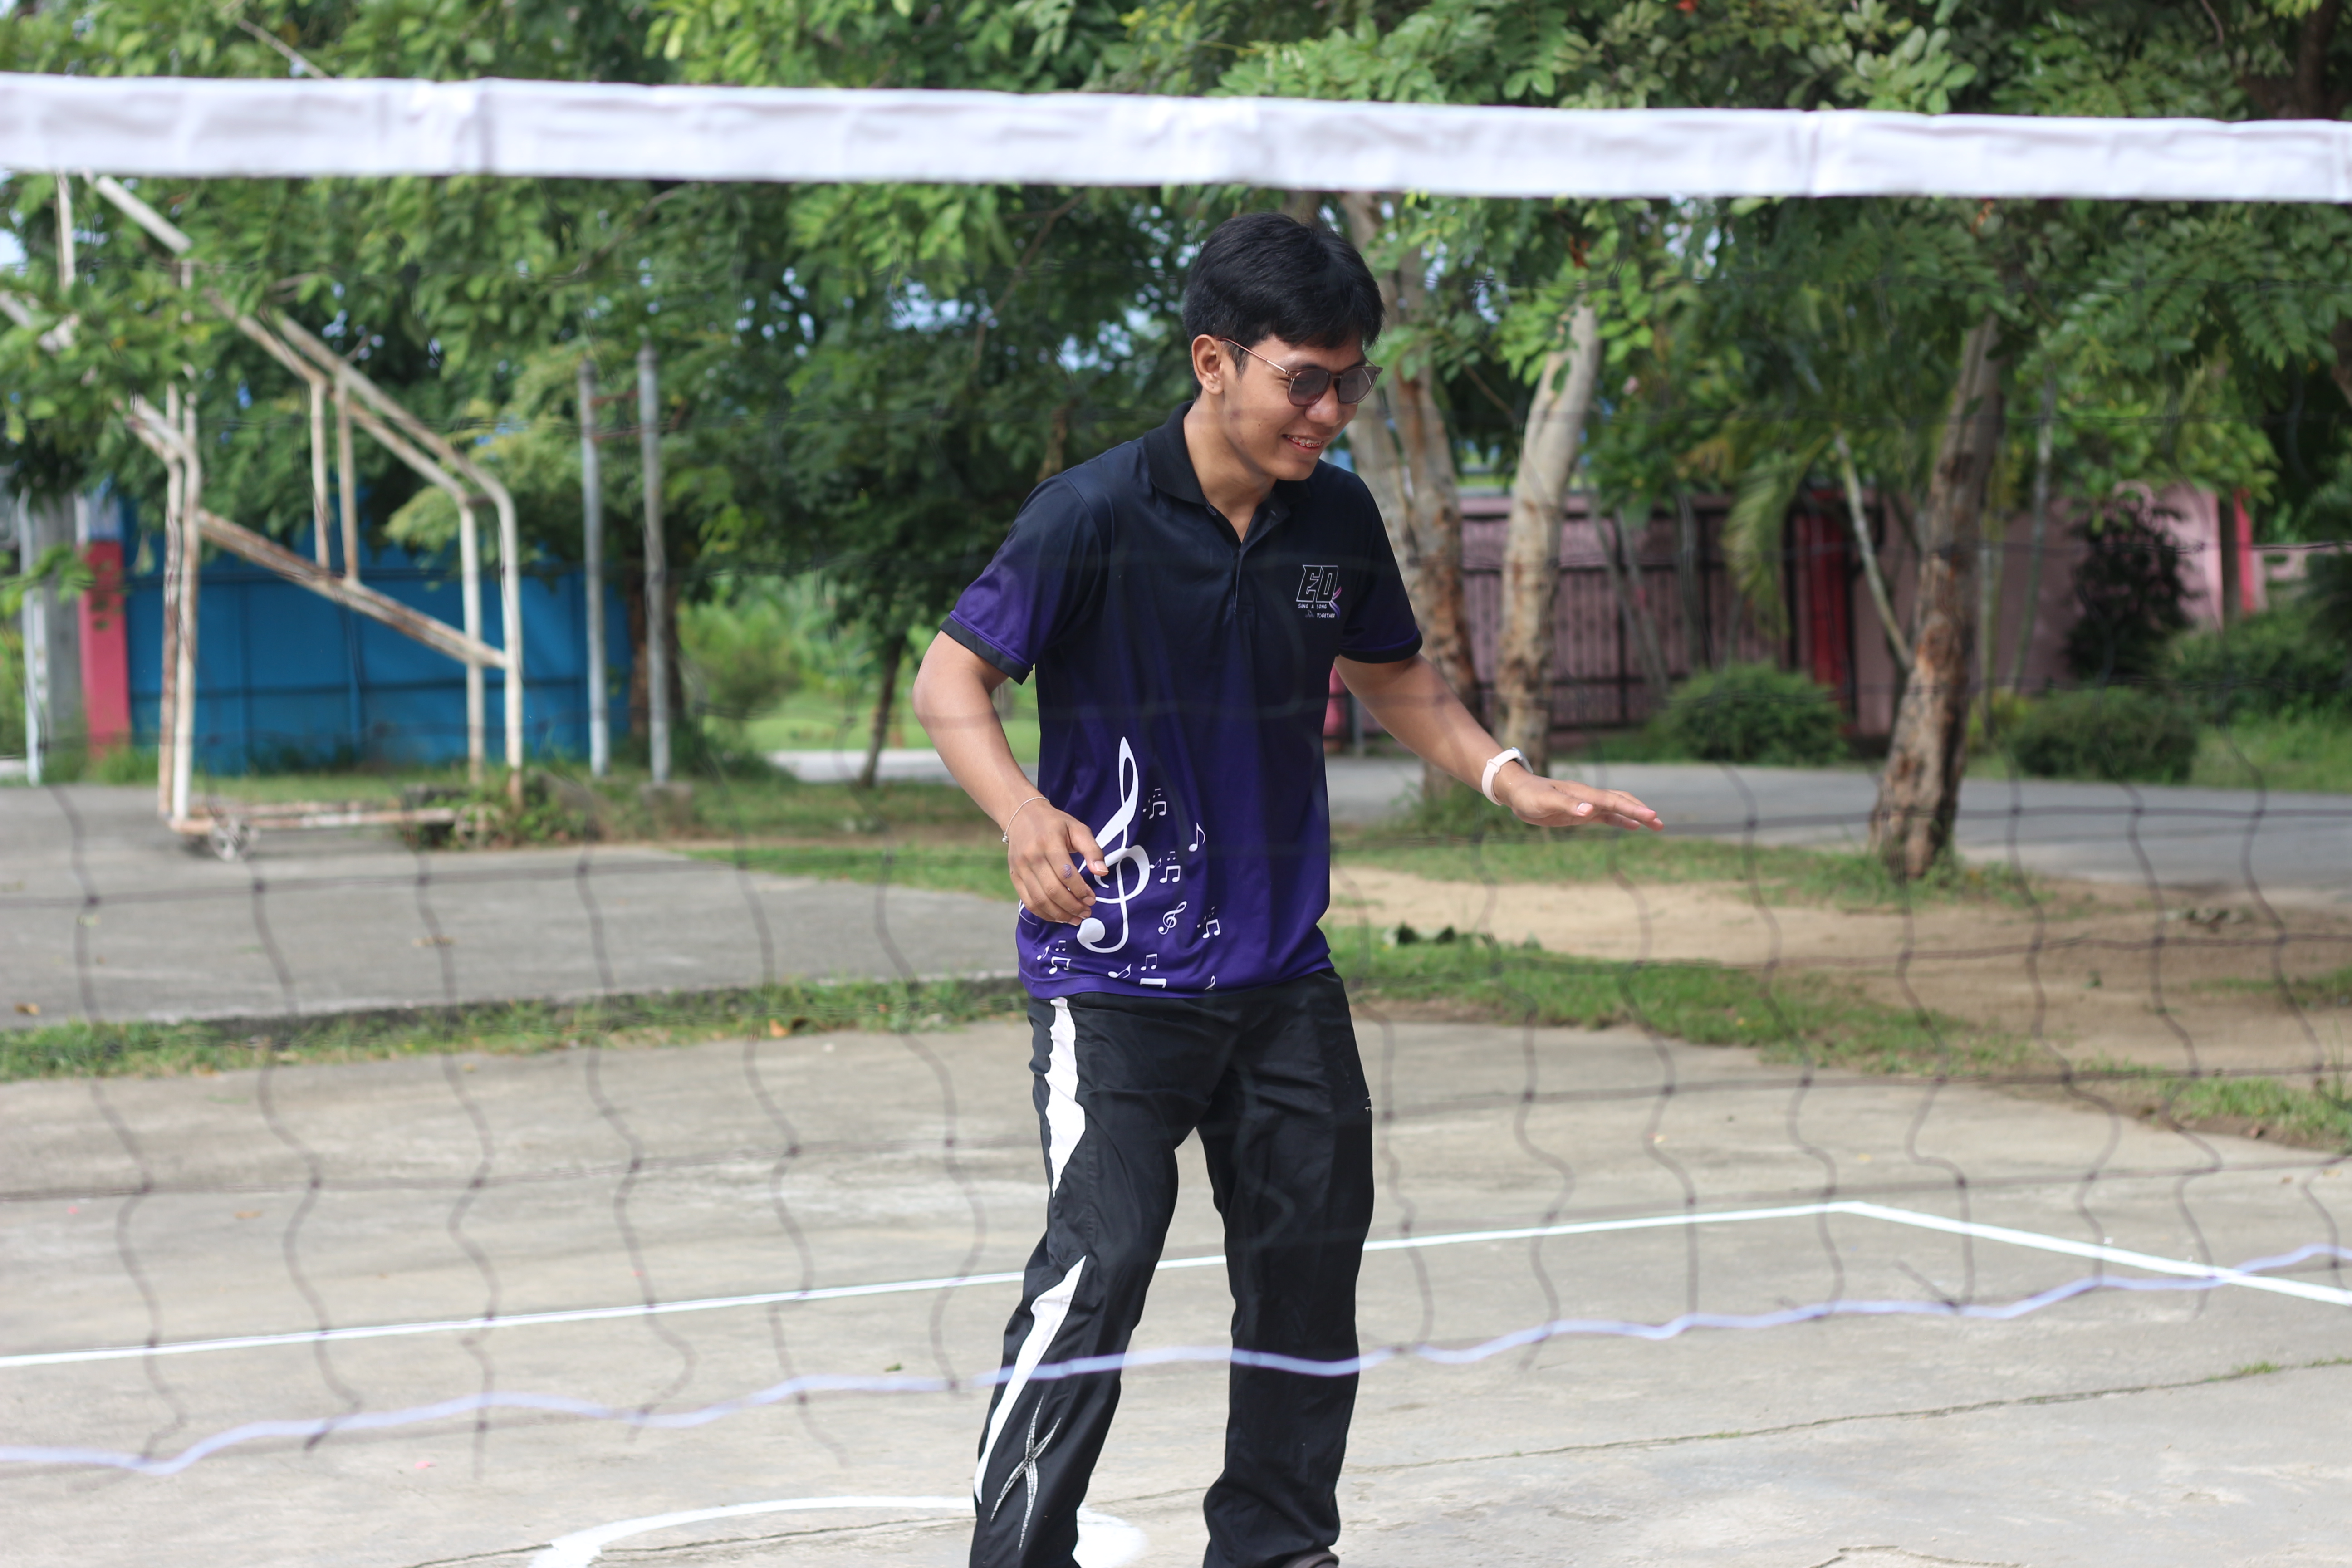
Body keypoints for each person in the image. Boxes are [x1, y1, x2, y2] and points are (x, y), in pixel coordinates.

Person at [911, 210, 1662, 1568]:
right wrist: (1022, 812)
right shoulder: (1091, 514)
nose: (1329, 412)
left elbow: (1392, 673)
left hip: (1282, 981)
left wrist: (1506, 777)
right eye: (1304, 380)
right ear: (1215, 362)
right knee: (1102, 1268)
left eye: (1350, 383)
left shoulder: (1335, 516)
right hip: (1114, 979)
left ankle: (1275, 1547)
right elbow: (951, 677)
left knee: (1309, 1279)